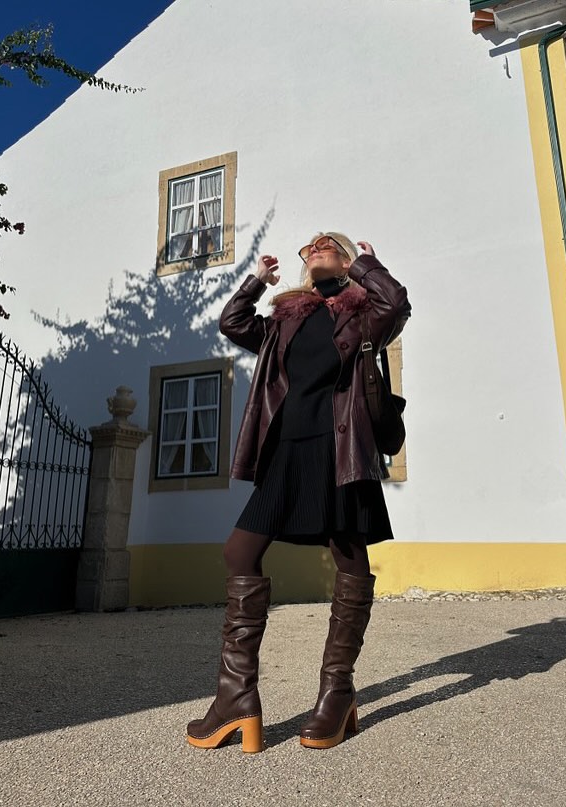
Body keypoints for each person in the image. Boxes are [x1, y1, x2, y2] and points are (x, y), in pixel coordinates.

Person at [186, 232, 411, 752]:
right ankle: (236, 697)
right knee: (239, 551)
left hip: (341, 448)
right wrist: (255, 284)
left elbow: (395, 302)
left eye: (324, 243)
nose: (312, 248)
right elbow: (232, 323)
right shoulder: (286, 319)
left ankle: (337, 692)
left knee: (349, 557)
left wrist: (368, 265)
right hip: (286, 450)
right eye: (307, 247)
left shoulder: (364, 314)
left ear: (346, 257)